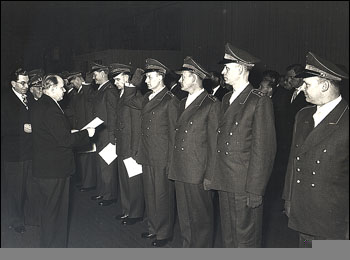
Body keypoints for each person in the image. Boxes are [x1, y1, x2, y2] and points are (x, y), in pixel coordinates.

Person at [206, 43, 276, 247]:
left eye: (227, 68)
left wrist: (256, 189)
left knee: (246, 238)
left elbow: (264, 150)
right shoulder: (227, 98)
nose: (222, 72)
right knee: (229, 236)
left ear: (240, 69)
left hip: (244, 183)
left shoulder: (258, 101)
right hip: (225, 179)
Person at [283, 52, 349, 247]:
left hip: (332, 218)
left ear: (325, 85)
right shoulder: (303, 115)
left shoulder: (345, 120)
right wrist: (288, 197)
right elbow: (293, 161)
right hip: (302, 210)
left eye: (307, 84)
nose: (302, 87)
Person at [30, 74, 95, 247]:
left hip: (44, 168)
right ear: (51, 89)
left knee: (48, 213)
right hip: (55, 170)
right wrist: (85, 133)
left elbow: (51, 134)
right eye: (61, 87)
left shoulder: (39, 104)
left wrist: (70, 132)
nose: (64, 90)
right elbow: (64, 141)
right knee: (56, 214)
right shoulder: (51, 108)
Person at [125, 58, 179, 247]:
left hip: (162, 156)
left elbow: (173, 134)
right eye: (146, 77)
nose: (147, 81)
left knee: (162, 196)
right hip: (147, 154)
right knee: (150, 194)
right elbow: (128, 99)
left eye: (149, 77)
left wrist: (172, 161)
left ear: (161, 77)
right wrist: (136, 79)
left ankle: (164, 233)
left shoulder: (170, 100)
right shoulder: (147, 97)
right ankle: (153, 229)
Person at [168, 56, 220, 248]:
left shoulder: (211, 104)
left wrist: (210, 176)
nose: (180, 80)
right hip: (181, 169)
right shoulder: (182, 103)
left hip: (198, 172)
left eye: (184, 76)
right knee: (185, 219)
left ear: (195, 78)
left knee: (201, 221)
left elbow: (214, 144)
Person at [109, 63, 144, 225]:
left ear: (126, 78)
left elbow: (136, 126)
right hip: (122, 146)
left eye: (117, 79)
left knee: (133, 182)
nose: (115, 83)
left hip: (131, 147)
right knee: (124, 181)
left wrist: (136, 149)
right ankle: (126, 210)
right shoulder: (121, 95)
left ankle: (135, 213)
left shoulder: (135, 97)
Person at [1, 68, 32, 234]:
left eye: (27, 82)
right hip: (14, 154)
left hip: (30, 152)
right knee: (15, 190)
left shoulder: (30, 99)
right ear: (13, 83)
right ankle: (16, 221)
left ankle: (31, 218)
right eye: (22, 83)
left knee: (29, 187)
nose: (26, 86)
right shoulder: (5, 100)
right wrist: (21, 127)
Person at [90, 63, 119, 206]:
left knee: (107, 166)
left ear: (103, 73)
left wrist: (113, 136)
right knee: (101, 165)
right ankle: (103, 192)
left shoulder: (110, 91)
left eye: (95, 74)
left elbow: (113, 115)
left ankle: (109, 195)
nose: (93, 77)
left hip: (107, 134)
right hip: (100, 133)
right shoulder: (102, 89)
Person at [67, 72, 98, 192]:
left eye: (73, 81)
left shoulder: (86, 91)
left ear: (79, 79)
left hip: (86, 127)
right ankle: (86, 181)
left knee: (87, 157)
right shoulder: (79, 92)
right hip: (80, 127)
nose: (72, 84)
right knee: (83, 157)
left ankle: (89, 183)